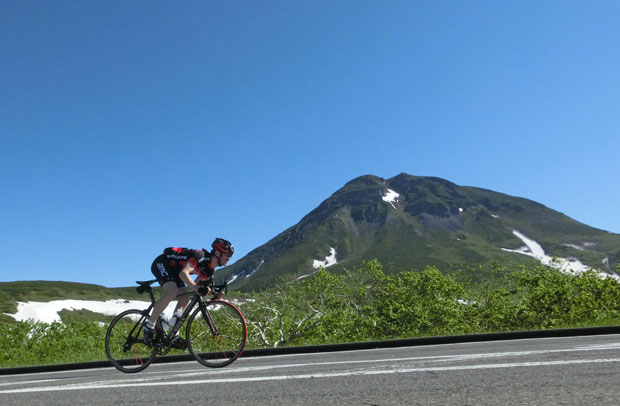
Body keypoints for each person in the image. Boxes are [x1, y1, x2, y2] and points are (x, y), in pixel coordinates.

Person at [142, 238, 234, 347]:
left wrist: (214, 294)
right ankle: (149, 326)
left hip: (175, 270)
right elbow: (184, 274)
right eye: (227, 255)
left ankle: (173, 334)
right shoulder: (201, 256)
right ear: (217, 253)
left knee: (185, 297)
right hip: (163, 263)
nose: (229, 258)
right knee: (172, 291)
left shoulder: (210, 270)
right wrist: (197, 288)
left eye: (230, 256)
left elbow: (196, 286)